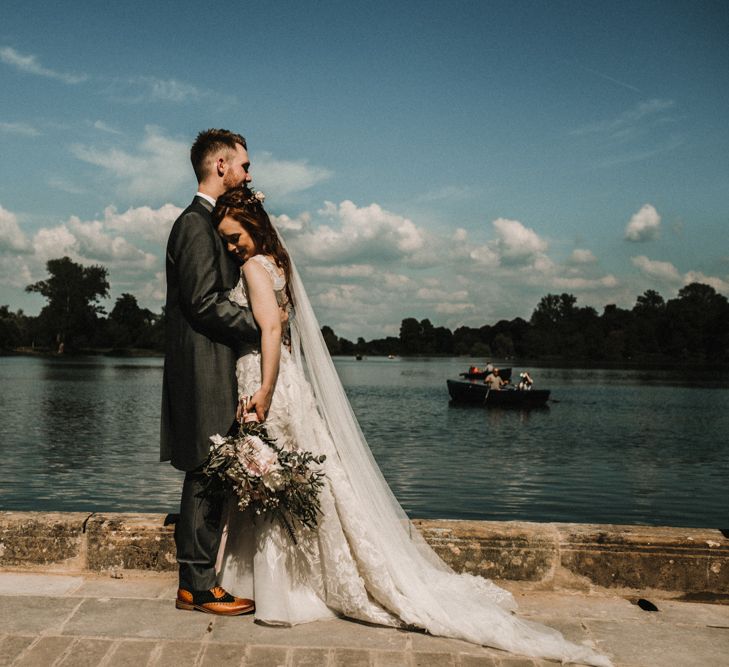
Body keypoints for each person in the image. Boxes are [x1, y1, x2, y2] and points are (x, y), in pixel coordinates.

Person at [209, 185, 611, 666]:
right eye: (228, 242)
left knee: (279, 475)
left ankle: (282, 588)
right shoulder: (277, 264)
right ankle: (289, 579)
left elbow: (271, 331)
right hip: (284, 378)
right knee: (292, 476)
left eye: (235, 238)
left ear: (253, 226)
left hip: (268, 378)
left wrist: (266, 391)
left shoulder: (254, 267)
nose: (233, 248)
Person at [161, 129, 260, 616]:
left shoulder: (209, 221)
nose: (248, 173)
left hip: (215, 362)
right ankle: (197, 587)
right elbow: (202, 303)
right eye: (243, 164)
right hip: (202, 365)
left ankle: (197, 581)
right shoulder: (194, 224)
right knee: (205, 467)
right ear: (219, 165)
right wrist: (264, 324)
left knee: (212, 469)